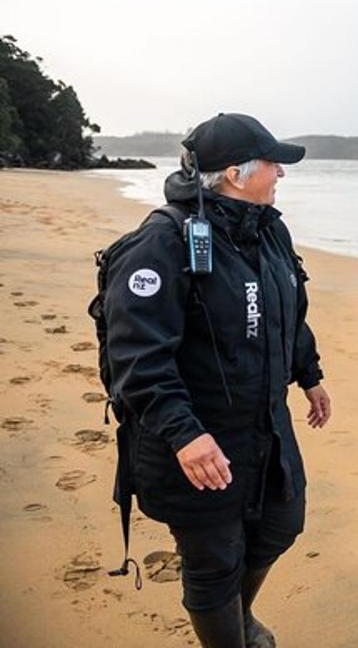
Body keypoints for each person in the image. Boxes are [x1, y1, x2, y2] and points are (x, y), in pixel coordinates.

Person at [103, 113, 332, 648]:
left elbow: (288, 313)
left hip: (265, 427)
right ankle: (228, 634)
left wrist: (309, 375)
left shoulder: (269, 230)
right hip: (196, 437)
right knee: (213, 562)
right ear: (235, 173)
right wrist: (185, 434)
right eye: (273, 164)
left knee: (281, 524)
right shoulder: (160, 243)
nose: (280, 173)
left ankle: (237, 616)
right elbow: (136, 356)